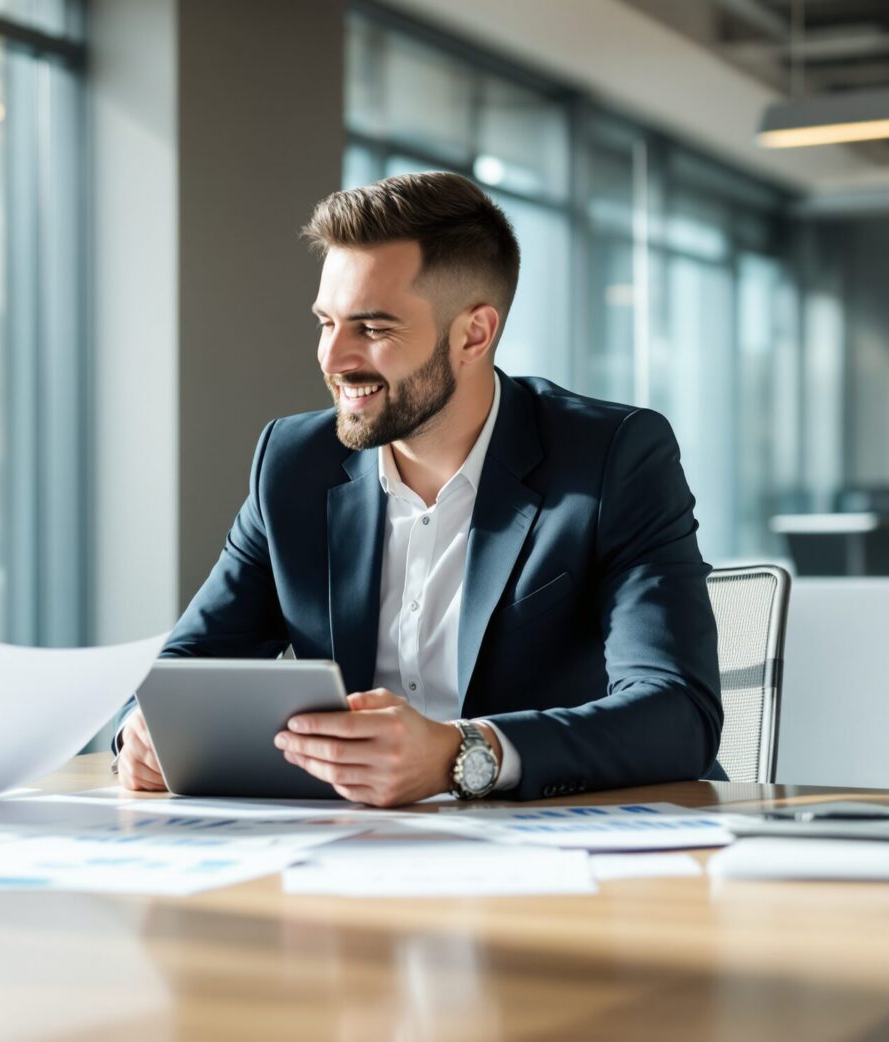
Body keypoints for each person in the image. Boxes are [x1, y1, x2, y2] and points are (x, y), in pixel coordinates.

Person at [114, 172, 722, 806]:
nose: (333, 358)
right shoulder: (294, 463)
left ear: (473, 334)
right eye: (327, 322)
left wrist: (463, 755)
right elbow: (183, 670)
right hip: (349, 849)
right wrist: (144, 736)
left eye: (373, 329)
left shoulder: (610, 459)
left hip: (564, 847)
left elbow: (679, 714)